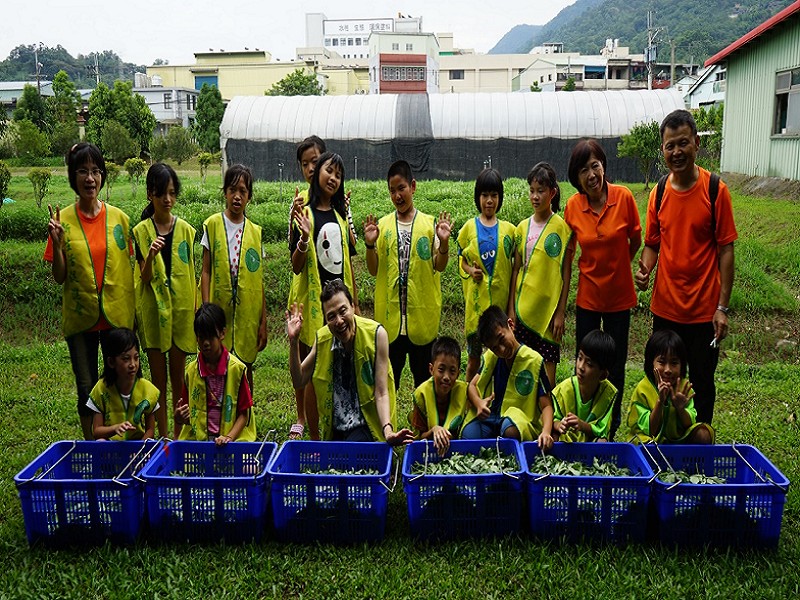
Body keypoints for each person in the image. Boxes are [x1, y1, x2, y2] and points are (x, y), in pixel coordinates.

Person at [635, 109, 737, 425]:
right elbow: (652, 242)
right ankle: (664, 439)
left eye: (683, 143)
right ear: (662, 150)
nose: (676, 152)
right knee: (662, 381)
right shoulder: (659, 193)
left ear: (695, 143)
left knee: (702, 384)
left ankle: (700, 445)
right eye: (670, 146)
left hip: (704, 313)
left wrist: (722, 307)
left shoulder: (715, 190)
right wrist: (646, 270)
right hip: (665, 310)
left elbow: (726, 250)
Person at [45, 142, 135, 440]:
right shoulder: (62, 222)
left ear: (102, 176)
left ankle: (126, 444)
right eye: (82, 171)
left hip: (115, 316)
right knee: (86, 387)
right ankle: (91, 447)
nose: (90, 178)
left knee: (122, 382)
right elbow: (59, 277)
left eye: (95, 171)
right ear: (73, 176)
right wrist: (57, 246)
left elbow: (129, 269)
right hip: (81, 318)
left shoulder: (120, 219)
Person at [564, 139, 642, 440]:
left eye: (595, 165)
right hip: (587, 297)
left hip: (619, 298)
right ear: (577, 177)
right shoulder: (573, 207)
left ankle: (608, 429)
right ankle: (581, 424)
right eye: (584, 170)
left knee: (615, 366)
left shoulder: (623, 198)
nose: (591, 174)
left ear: (603, 166)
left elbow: (635, 240)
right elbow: (569, 254)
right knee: (584, 364)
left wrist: (623, 264)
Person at [286, 279, 413, 445]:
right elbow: (299, 379)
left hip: (367, 424)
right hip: (336, 427)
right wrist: (294, 342)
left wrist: (388, 431)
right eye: (331, 316)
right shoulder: (323, 339)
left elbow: (381, 391)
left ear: (353, 306)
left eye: (343, 311)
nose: (339, 321)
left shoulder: (376, 335)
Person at [287, 151, 358, 440]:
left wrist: (355, 305)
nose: (334, 178)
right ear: (317, 174)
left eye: (339, 175)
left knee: (340, 376)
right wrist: (304, 239)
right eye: (329, 171)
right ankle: (315, 439)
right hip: (318, 309)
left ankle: (339, 433)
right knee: (315, 378)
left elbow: (347, 265)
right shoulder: (304, 212)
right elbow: (295, 265)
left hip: (342, 309)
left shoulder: (341, 216)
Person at [364, 159, 452, 390]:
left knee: (423, 384)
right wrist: (370, 245)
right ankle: (388, 425)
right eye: (392, 191)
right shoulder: (383, 226)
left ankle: (422, 425)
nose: (397, 196)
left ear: (413, 186)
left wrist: (443, 243)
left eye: (401, 188)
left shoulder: (429, 224)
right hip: (390, 321)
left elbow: (439, 265)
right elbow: (374, 270)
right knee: (387, 383)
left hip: (421, 320)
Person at [133, 163, 196, 439]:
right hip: (154, 315)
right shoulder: (141, 232)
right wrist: (149, 254)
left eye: (171, 193)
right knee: (158, 382)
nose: (167, 200)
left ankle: (179, 437)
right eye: (161, 194)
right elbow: (144, 278)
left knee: (179, 381)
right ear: (150, 194)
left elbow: (193, 274)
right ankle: (161, 436)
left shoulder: (186, 230)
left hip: (181, 315)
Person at [200, 164, 267, 390]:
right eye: (232, 190)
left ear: (249, 197)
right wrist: (206, 309)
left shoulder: (255, 232)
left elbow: (259, 281)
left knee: (246, 369)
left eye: (243, 191)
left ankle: (247, 419)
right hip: (220, 312)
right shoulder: (212, 225)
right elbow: (206, 270)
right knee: (218, 369)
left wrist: (263, 322)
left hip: (248, 314)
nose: (237, 196)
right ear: (225, 193)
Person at [508, 162, 573, 387]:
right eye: (532, 191)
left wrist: (560, 313)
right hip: (522, 310)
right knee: (520, 372)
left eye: (541, 191)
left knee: (547, 378)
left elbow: (566, 274)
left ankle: (546, 420)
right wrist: (511, 312)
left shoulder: (562, 229)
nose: (535, 196)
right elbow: (516, 270)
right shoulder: (522, 228)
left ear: (552, 193)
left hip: (548, 315)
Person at [462, 306, 554, 449]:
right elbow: (472, 386)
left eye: (501, 339)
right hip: (493, 416)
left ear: (511, 325)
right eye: (494, 348)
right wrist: (479, 403)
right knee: (468, 434)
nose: (502, 349)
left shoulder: (533, 360)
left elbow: (547, 405)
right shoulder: (492, 357)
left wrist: (546, 432)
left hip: (517, 420)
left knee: (510, 430)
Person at [456, 168, 517, 383]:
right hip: (476, 312)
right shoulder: (468, 228)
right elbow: (460, 259)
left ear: (500, 198)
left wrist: (511, 309)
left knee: (500, 358)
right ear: (477, 197)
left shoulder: (510, 231)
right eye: (484, 195)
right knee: (474, 359)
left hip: (500, 311)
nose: (489, 201)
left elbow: (515, 268)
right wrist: (470, 271)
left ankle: (497, 400)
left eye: (493, 195)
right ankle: (467, 400)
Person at [175, 303, 256, 444]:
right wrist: (179, 417)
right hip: (199, 442)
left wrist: (229, 438)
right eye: (201, 338)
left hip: (232, 439)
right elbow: (188, 414)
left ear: (222, 334)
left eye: (210, 337)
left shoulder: (236, 369)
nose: (205, 343)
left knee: (250, 467)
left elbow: (244, 414)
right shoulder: (191, 371)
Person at [627, 329, 714, 444]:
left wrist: (680, 408)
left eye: (674, 363)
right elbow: (650, 431)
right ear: (650, 363)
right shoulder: (643, 390)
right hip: (650, 441)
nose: (668, 370)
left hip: (677, 442)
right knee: (646, 444)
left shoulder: (684, 388)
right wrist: (660, 401)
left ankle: (692, 461)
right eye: (662, 362)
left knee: (703, 434)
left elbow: (689, 425)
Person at [87, 328, 158, 441]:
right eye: (126, 359)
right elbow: (96, 431)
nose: (133, 364)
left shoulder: (147, 389)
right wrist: (115, 428)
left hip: (137, 446)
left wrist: (140, 446)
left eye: (136, 358)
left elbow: (150, 430)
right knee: (100, 442)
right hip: (112, 448)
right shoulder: (101, 389)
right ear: (111, 362)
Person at [552, 329, 617, 442]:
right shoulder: (565, 389)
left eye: (589, 364)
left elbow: (602, 430)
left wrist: (582, 426)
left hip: (589, 442)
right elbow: (551, 419)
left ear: (602, 375)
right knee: (553, 436)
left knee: (602, 442)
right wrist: (559, 425)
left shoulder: (607, 393)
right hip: (565, 440)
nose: (581, 367)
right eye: (580, 358)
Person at [409, 336, 469, 456]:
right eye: (441, 369)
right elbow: (417, 439)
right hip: (429, 453)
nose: (446, 377)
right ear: (431, 369)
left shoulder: (464, 392)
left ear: (458, 373)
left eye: (452, 371)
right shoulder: (422, 394)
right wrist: (434, 430)